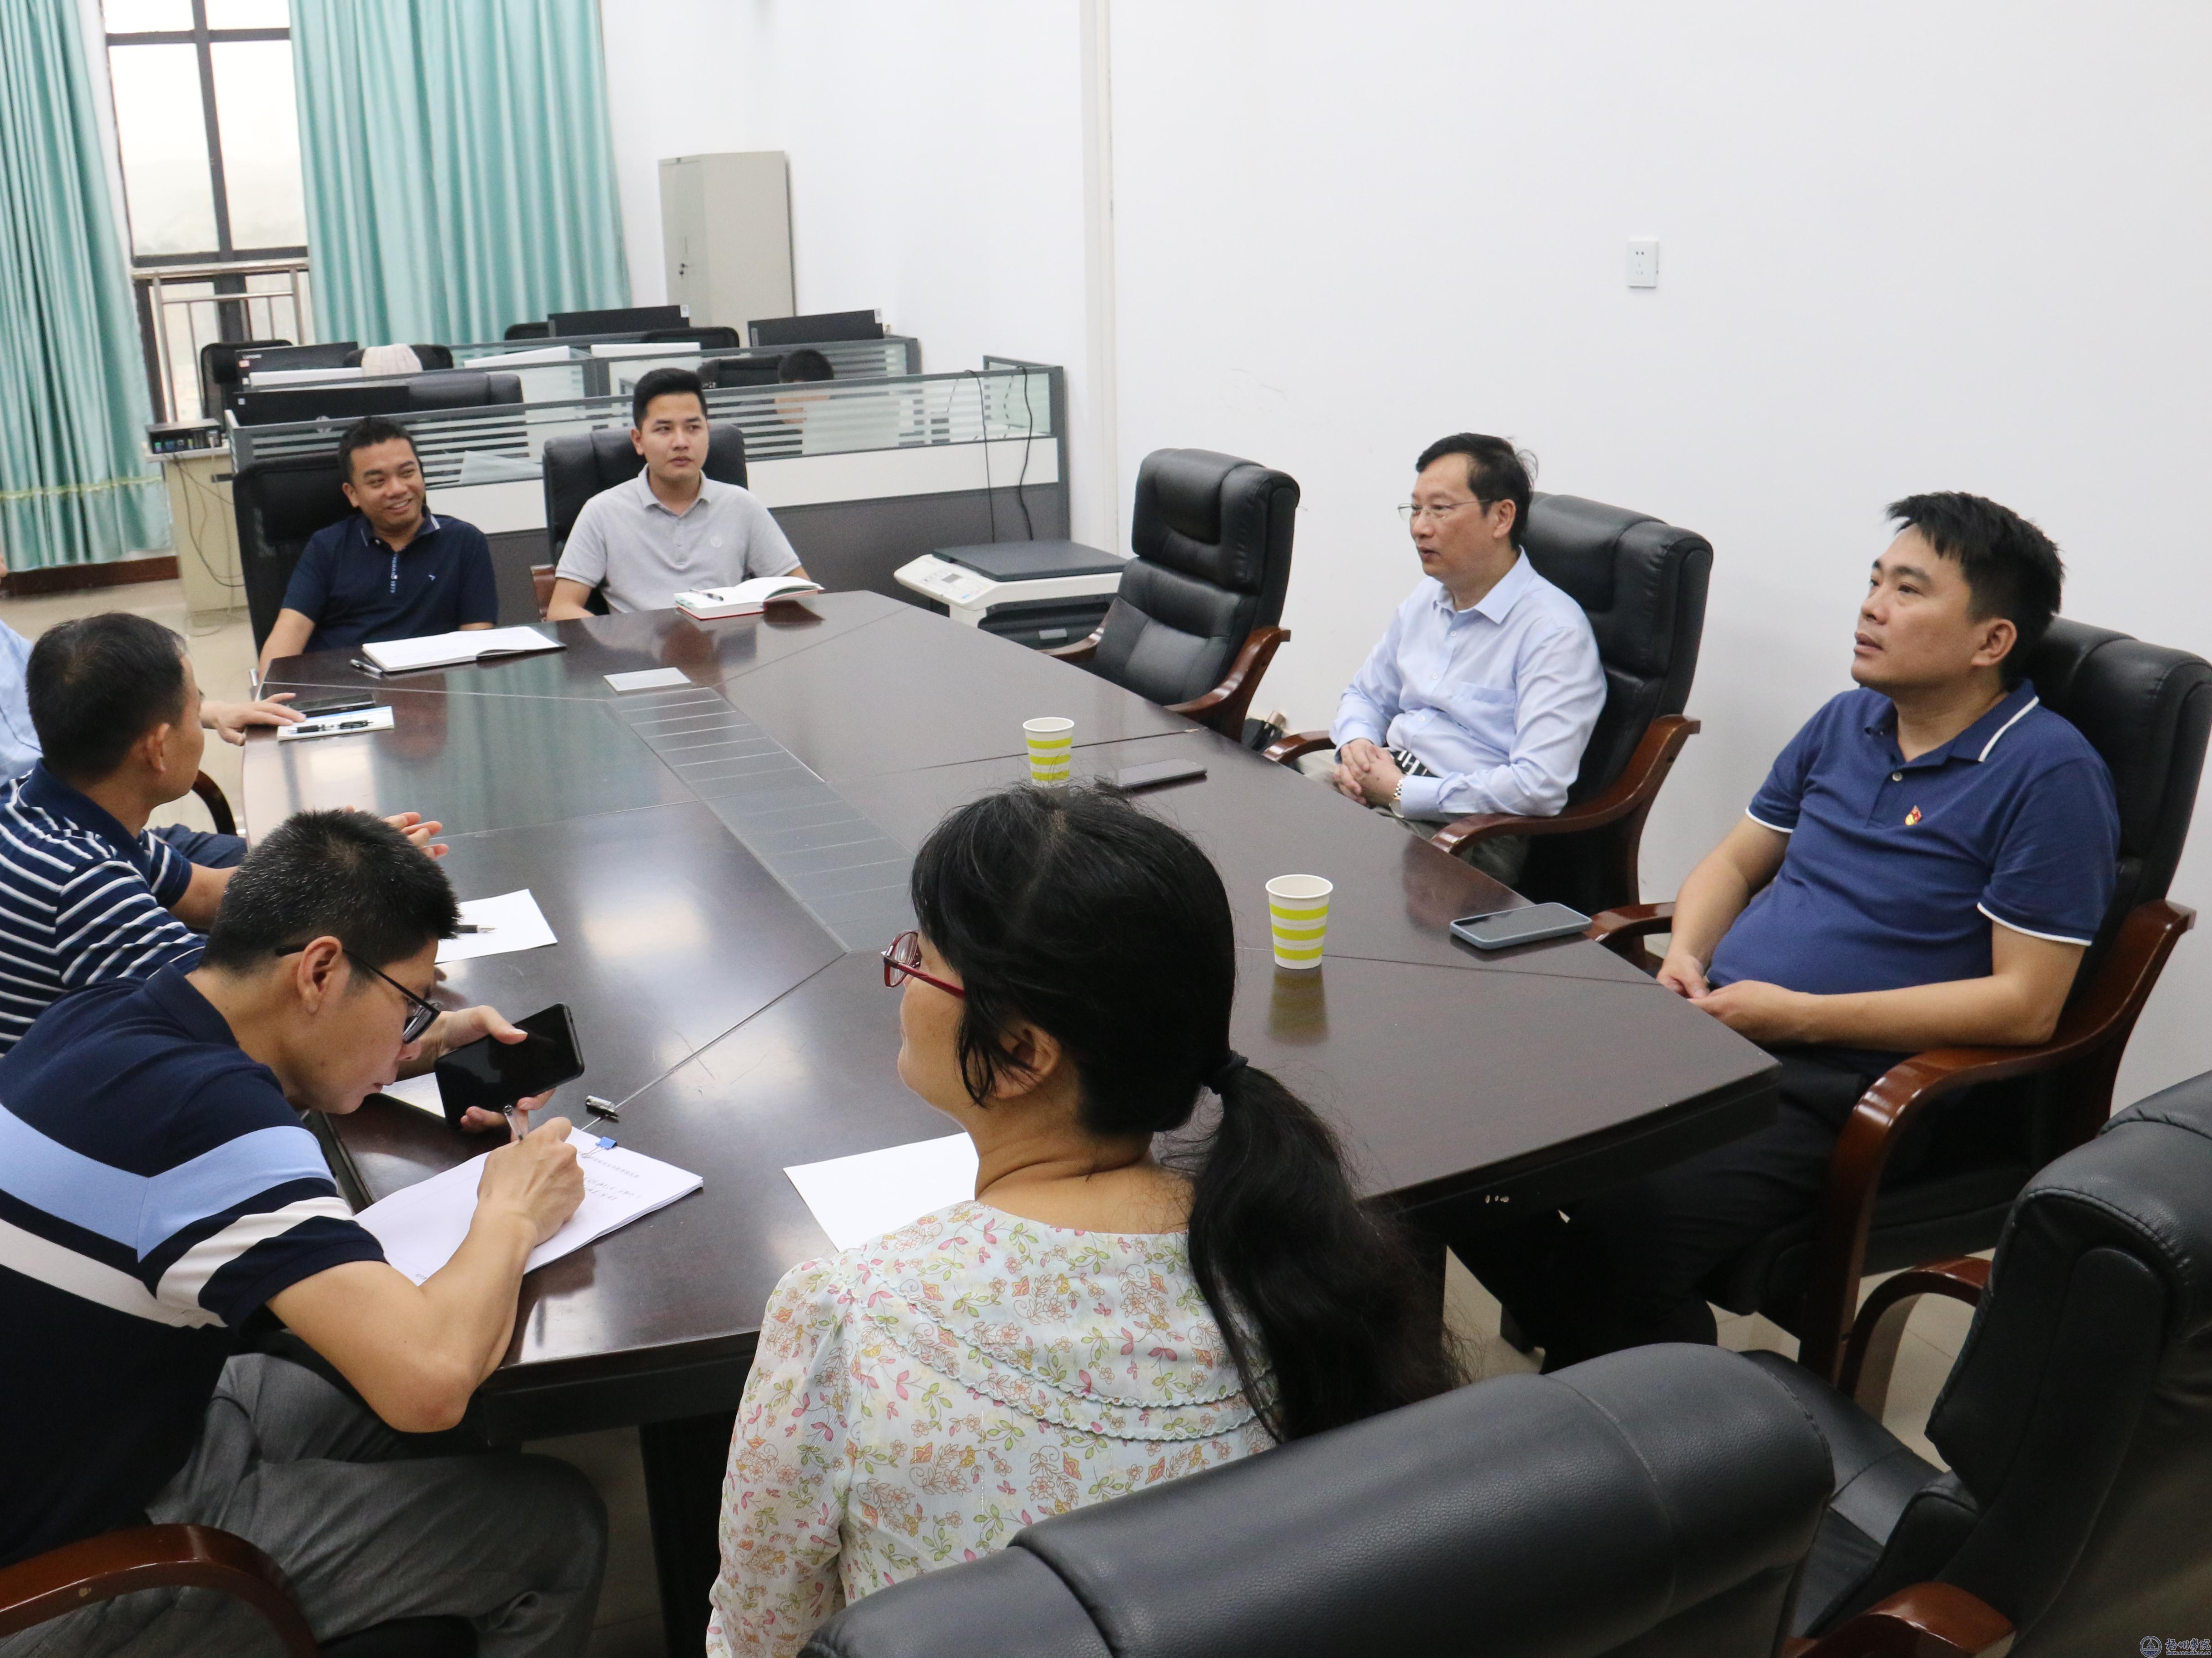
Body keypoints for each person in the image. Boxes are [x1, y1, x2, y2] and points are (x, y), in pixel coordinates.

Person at [706, 785, 1456, 1656]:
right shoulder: (1291, 1259)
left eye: (921, 958)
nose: (902, 979)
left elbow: (761, 1635)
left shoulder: (847, 1317)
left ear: (1020, 1051)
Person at [0, 809, 607, 1656]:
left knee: (451, 1408)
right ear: (319, 971)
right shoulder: (209, 1121)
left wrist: (407, 1050)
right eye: (408, 1005)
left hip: (54, 1456)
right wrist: (512, 1211)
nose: (410, 1029)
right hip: (46, 1583)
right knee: (557, 1523)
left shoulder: (126, 1010)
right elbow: (428, 1379)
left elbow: (253, 1097)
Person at [1453, 493, 2119, 1371]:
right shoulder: (1846, 720)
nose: (1871, 607)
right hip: (1721, 1027)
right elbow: (1733, 863)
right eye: (1874, 581)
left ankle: (1650, 1395)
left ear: (1990, 640)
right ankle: (1652, 1368)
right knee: (1467, 1127)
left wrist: (1797, 1015)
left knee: (1631, 1223)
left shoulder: (2049, 774)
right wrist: (1685, 954)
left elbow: (2026, 1004)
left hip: (1853, 1086)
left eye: (1908, 590)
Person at [0, 612, 444, 1122]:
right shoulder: (81, 885)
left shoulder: (27, 804)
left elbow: (203, 893)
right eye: (195, 713)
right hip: (39, 1150)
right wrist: (440, 1032)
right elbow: (257, 1036)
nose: (202, 728)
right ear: (157, 749)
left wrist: (348, 872)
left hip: (22, 1113)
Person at [0, 478, 297, 864]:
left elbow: (87, 696)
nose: (1, 567)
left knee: (291, 868)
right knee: (284, 893)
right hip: (67, 875)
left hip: (109, 837)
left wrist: (213, 712)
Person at [1317, 433, 1606, 887]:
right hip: (1383, 781)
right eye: (1415, 509)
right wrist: (1357, 748)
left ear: (1502, 517)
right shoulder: (1427, 598)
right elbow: (1365, 695)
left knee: (1320, 864)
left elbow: (1538, 786)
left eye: (1439, 509)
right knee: (1262, 816)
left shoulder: (1554, 633)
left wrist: (1402, 791)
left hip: (1468, 832)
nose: (1420, 528)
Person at [543, 367, 809, 619]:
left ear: (708, 433)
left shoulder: (742, 506)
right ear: (639, 440)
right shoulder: (602, 512)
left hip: (726, 646)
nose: (681, 443)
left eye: (693, 428)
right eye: (664, 429)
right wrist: (622, 642)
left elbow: (802, 592)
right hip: (639, 648)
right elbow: (562, 609)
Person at [257, 415, 501, 673]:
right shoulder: (326, 547)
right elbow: (289, 635)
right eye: (377, 482)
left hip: (428, 686)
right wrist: (273, 692)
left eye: (407, 473)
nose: (397, 489)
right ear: (353, 494)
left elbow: (476, 642)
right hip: (343, 688)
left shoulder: (465, 542)